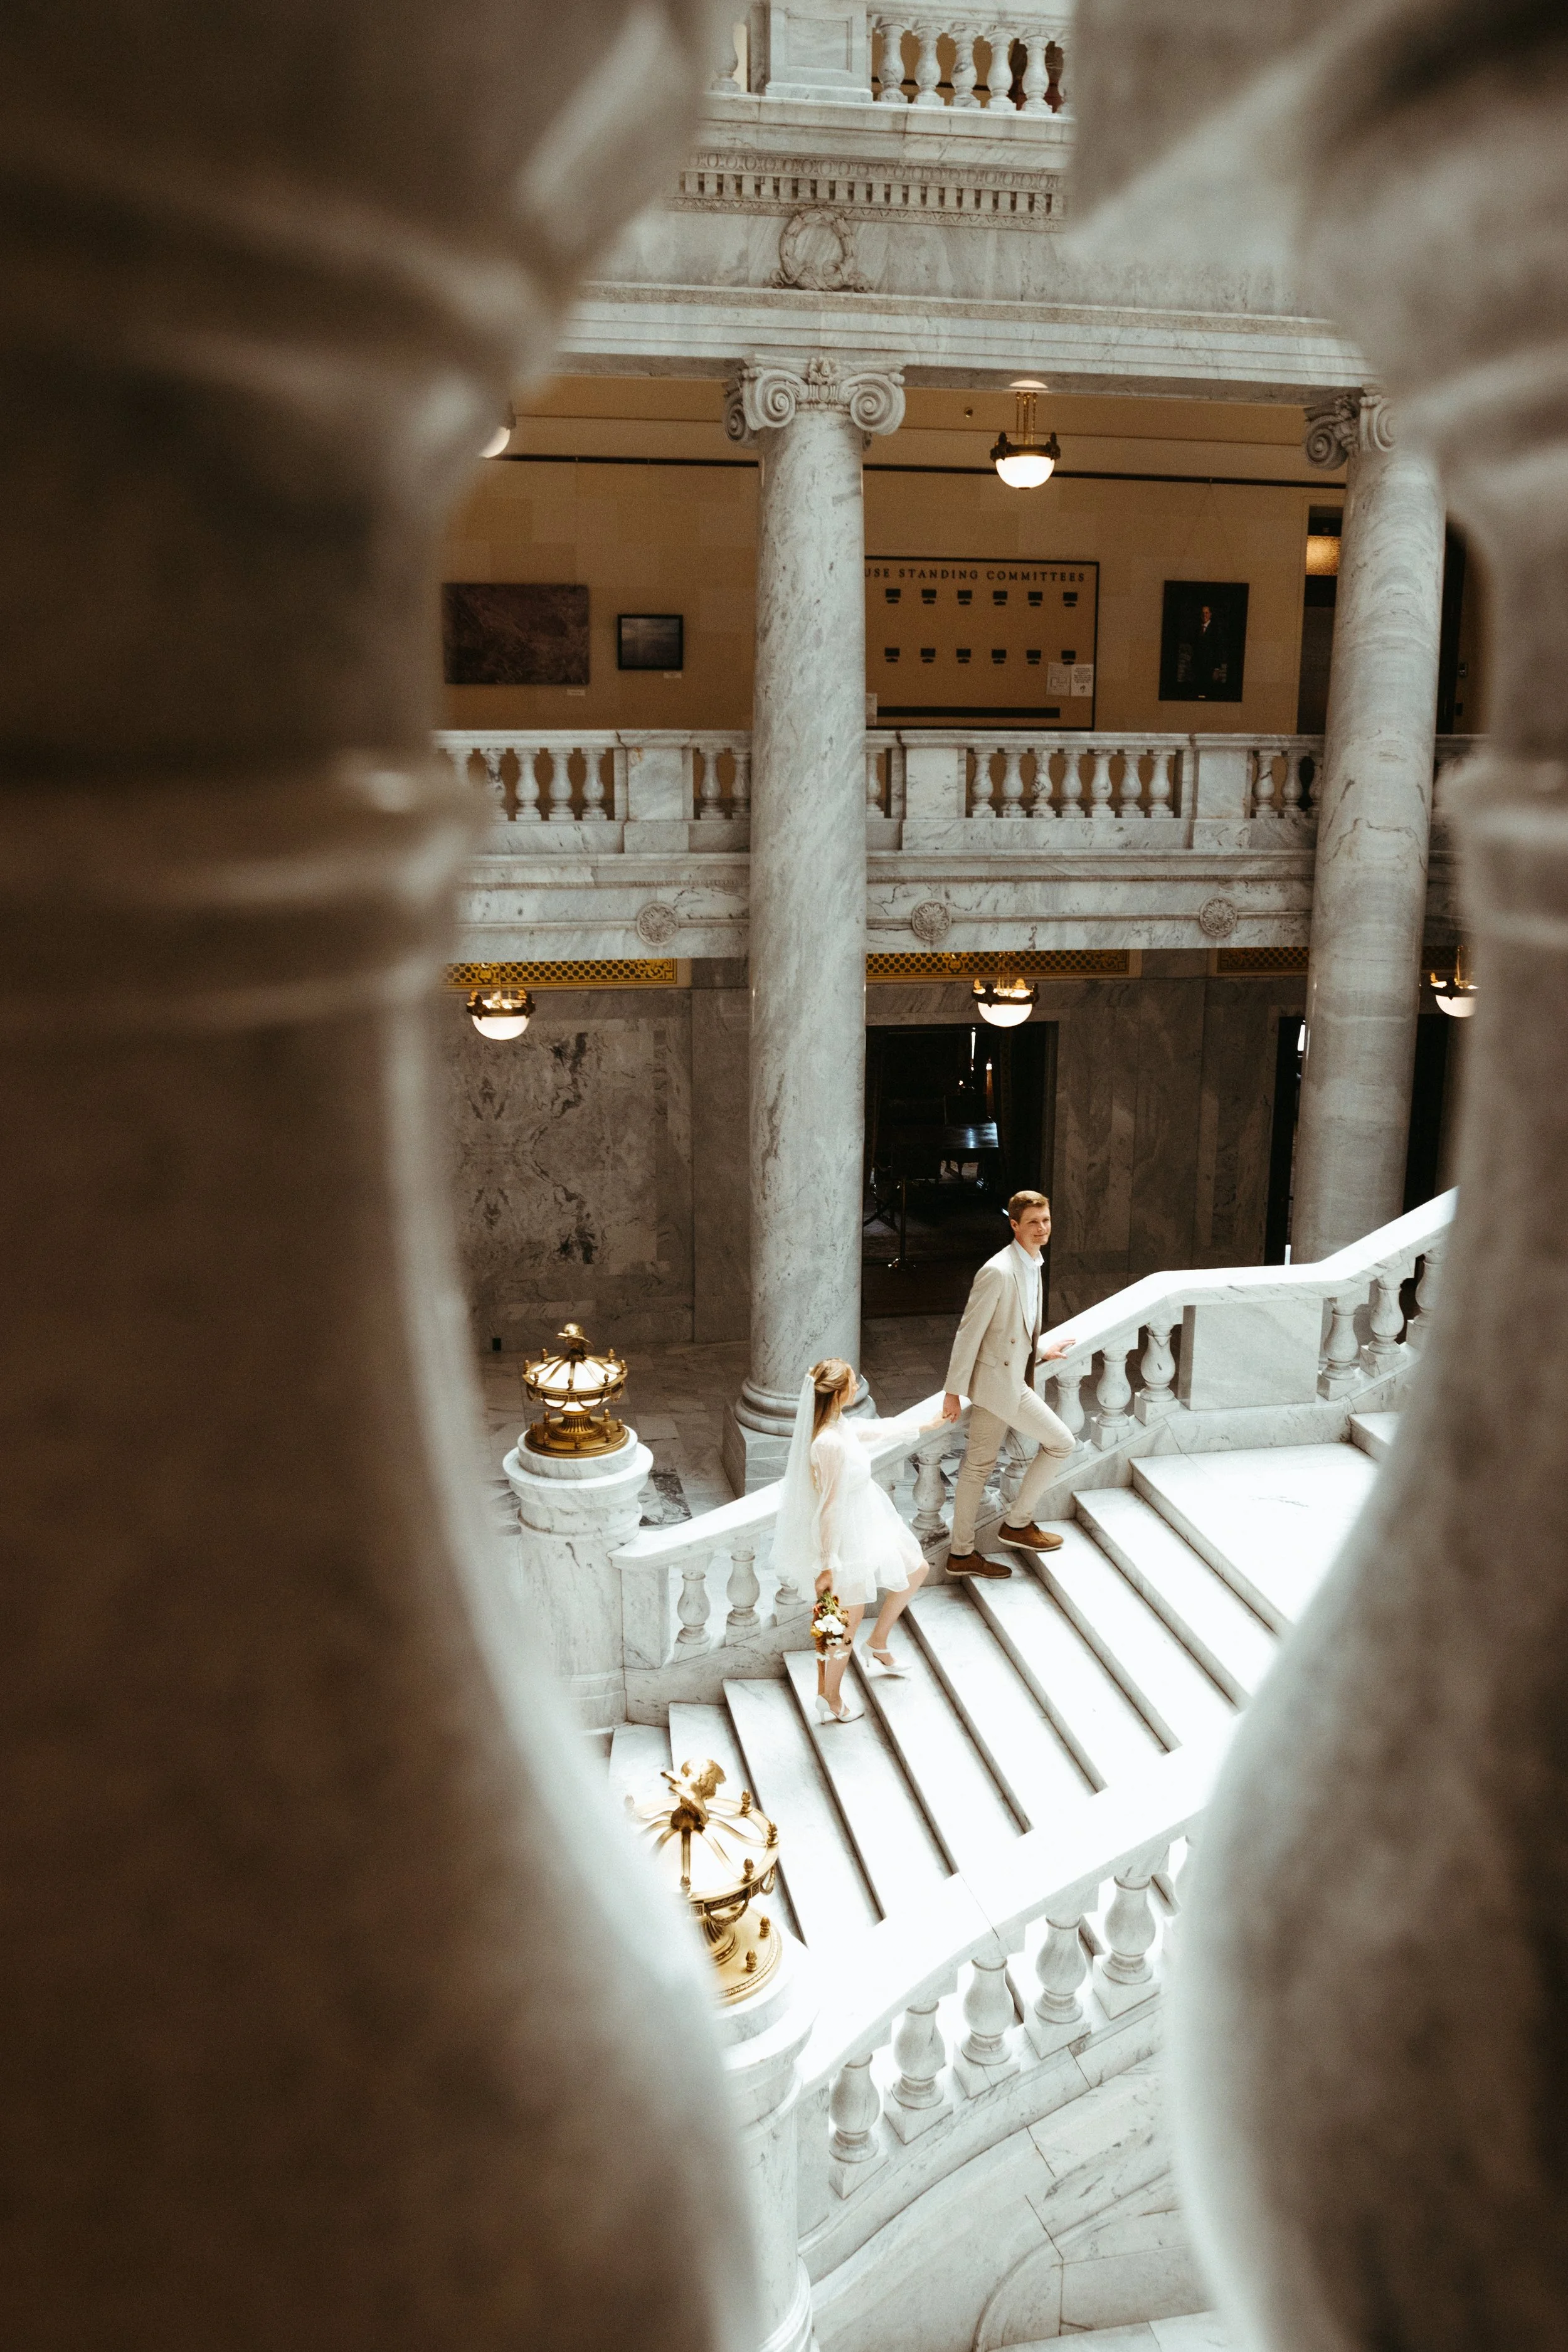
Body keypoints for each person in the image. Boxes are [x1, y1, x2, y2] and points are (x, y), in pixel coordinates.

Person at [773, 1358, 929, 1723]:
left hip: (869, 1515)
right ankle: (830, 1696)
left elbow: (874, 1431)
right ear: (839, 1392)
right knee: (845, 1621)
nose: (858, 1388)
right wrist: (828, 1562)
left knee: (917, 1569)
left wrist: (928, 1423)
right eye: (854, 1385)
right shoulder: (827, 1443)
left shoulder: (838, 1424)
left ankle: (878, 1644)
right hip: (845, 1533)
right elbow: (828, 1507)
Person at [941, 1189, 1075, 1579]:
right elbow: (969, 1334)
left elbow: (1016, 1324)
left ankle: (962, 1554)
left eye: (1046, 1221)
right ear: (1014, 1225)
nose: (1042, 1228)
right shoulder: (998, 1271)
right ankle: (1017, 1523)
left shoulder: (1032, 1262)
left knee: (978, 1465)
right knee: (1061, 1442)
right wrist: (952, 1392)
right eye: (1033, 1222)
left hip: (1008, 1376)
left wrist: (1040, 1348)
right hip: (1000, 1383)